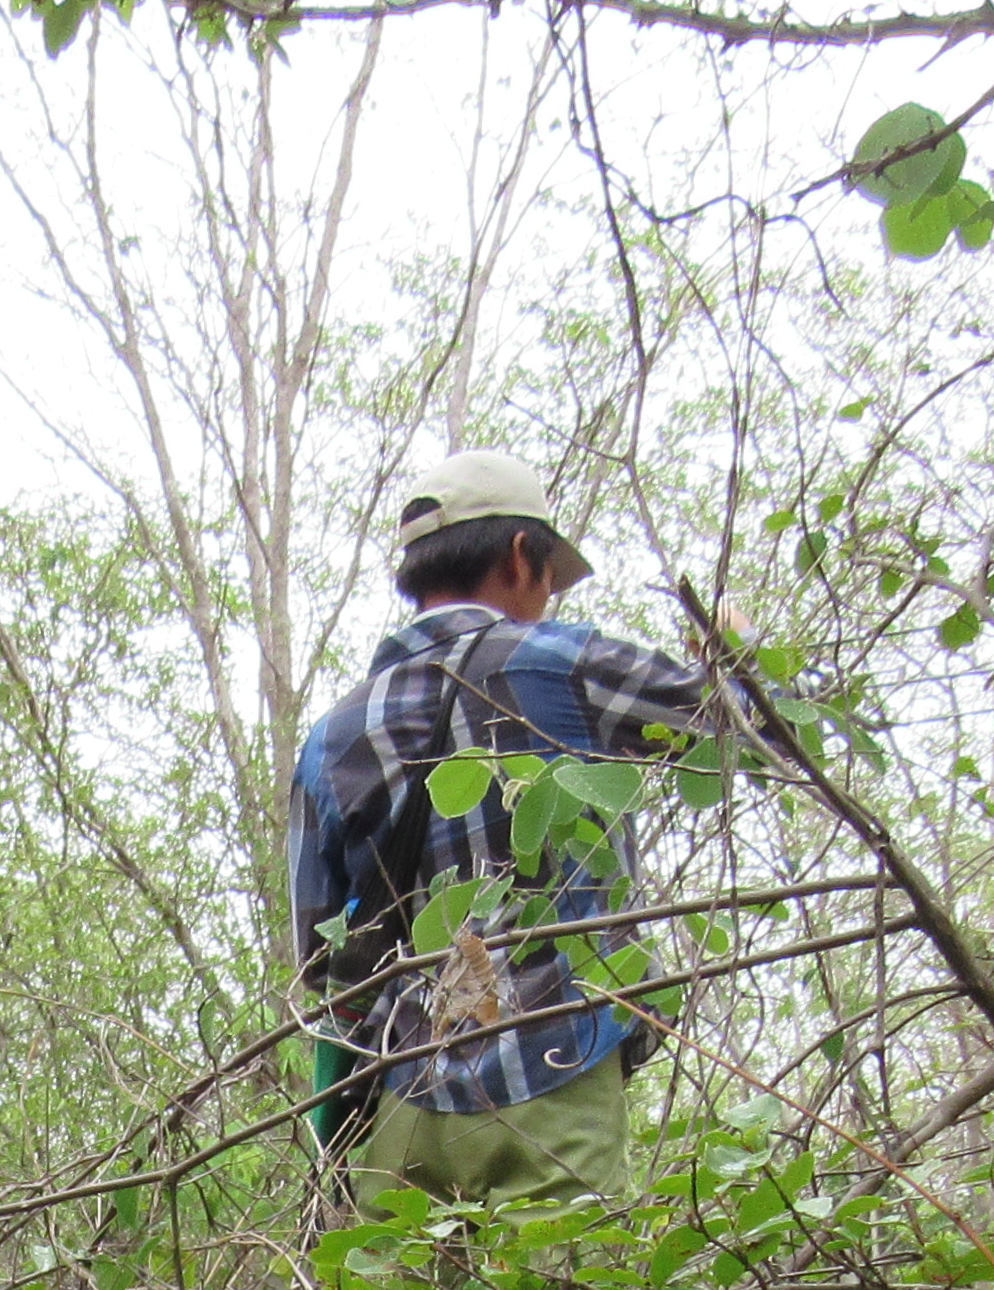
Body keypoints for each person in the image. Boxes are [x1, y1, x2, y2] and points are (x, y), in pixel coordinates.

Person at [288, 450, 744, 1206]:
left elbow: (322, 958)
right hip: (556, 1073)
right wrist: (738, 652)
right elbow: (759, 734)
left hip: (402, 1108)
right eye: (551, 577)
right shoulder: (559, 667)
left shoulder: (333, 736)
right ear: (521, 554)